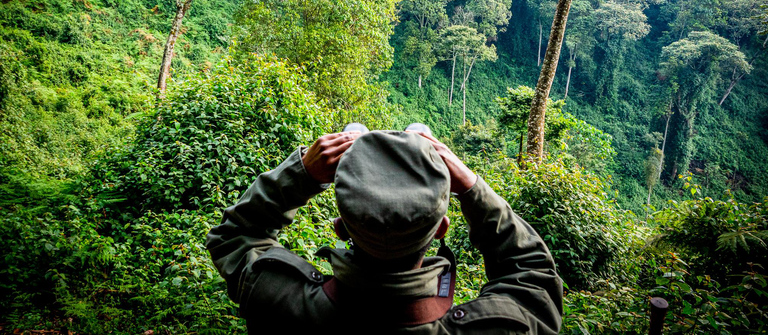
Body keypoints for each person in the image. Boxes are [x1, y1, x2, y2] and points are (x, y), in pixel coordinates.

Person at [206, 127, 563, 334]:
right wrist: (470, 185)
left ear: (340, 228)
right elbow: (534, 276)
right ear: (442, 229)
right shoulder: (500, 329)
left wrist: (303, 172)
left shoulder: (278, 300)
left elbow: (236, 235)